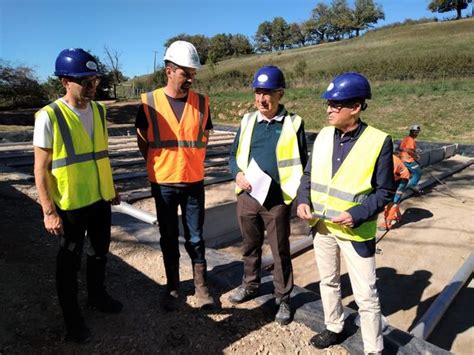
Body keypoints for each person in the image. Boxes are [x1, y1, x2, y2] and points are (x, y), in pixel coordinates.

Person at [296, 72, 396, 354]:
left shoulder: (379, 141)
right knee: (328, 282)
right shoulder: (325, 135)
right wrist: (303, 200)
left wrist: (358, 214)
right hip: (322, 226)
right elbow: (309, 174)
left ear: (356, 107)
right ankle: (333, 327)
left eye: (335, 105)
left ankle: (373, 348)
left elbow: (384, 191)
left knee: (366, 294)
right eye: (328, 103)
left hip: (355, 231)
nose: (329, 109)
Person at [33, 48, 122, 343]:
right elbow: (41, 168)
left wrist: (111, 188)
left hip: (99, 200)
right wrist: (48, 210)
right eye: (85, 81)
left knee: (99, 253)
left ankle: (97, 297)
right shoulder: (49, 116)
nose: (92, 86)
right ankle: (73, 320)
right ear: (64, 81)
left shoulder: (99, 111)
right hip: (70, 205)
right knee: (69, 264)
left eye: (94, 80)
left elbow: (100, 155)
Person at [135, 41, 214, 309]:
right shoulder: (148, 103)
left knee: (196, 237)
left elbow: (204, 137)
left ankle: (201, 288)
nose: (190, 77)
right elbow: (142, 139)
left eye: (193, 72)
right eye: (185, 72)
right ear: (169, 70)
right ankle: (172, 287)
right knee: (168, 236)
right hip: (164, 183)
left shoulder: (202, 103)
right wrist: (158, 163)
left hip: (193, 182)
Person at [228, 66, 308, 325]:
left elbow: (301, 162)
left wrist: (295, 196)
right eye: (257, 92)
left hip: (276, 201)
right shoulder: (248, 121)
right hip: (248, 196)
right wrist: (237, 174)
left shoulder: (294, 123)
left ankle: (283, 298)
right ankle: (250, 285)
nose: (262, 99)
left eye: (268, 93)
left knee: (280, 250)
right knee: (250, 246)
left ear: (280, 93)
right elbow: (232, 157)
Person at [379, 154, 410, 230]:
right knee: (392, 199)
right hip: (395, 177)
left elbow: (386, 178)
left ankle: (387, 223)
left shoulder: (390, 162)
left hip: (402, 178)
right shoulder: (384, 158)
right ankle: (398, 216)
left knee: (393, 201)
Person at [399, 124, 423, 192]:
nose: (416, 134)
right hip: (407, 160)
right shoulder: (410, 140)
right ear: (411, 131)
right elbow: (409, 150)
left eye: (417, 132)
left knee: (406, 176)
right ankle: (412, 185)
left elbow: (402, 148)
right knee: (418, 172)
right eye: (415, 132)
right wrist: (416, 156)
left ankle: (400, 189)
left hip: (404, 159)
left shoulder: (406, 138)